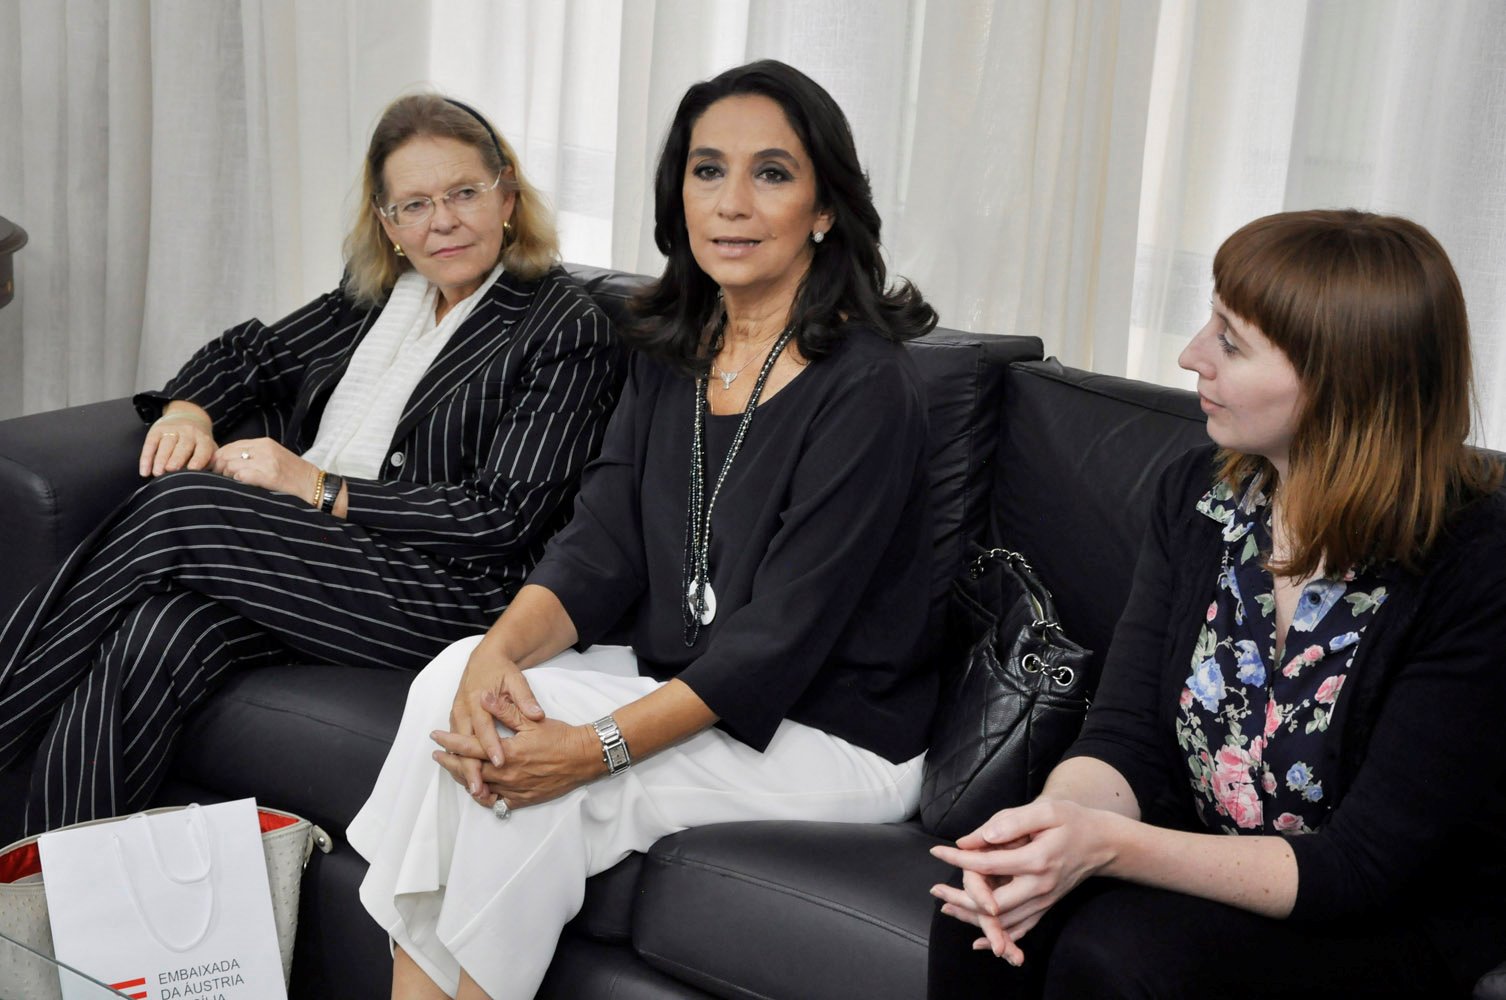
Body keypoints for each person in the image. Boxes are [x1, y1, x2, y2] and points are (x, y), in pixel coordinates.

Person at [349, 59, 939, 1000]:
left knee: (533, 786)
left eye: (771, 173)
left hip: (832, 729)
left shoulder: (870, 387)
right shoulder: (676, 349)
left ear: (825, 208)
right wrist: (496, 654)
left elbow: (774, 642)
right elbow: (601, 544)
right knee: (454, 683)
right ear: (680, 194)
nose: (732, 203)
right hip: (687, 680)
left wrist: (589, 750)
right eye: (708, 171)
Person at [0, 94, 621, 839]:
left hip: (458, 596)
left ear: (507, 195)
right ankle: (54, 895)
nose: (443, 222)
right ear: (388, 224)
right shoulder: (383, 299)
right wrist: (188, 412)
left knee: (183, 507)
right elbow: (250, 353)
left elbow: (501, 519)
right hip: (332, 571)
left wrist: (314, 485)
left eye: (463, 193)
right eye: (414, 205)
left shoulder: (563, 326)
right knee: (159, 632)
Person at [928, 209, 1506, 998]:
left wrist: (1105, 847)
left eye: (1230, 342)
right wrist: (1055, 829)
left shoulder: (1476, 559)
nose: (1191, 354)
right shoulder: (1200, 497)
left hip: (1388, 910)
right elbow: (1126, 736)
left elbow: (1363, 866)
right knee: (981, 908)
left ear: (1345, 379)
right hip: (1208, 848)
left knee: (1124, 958)